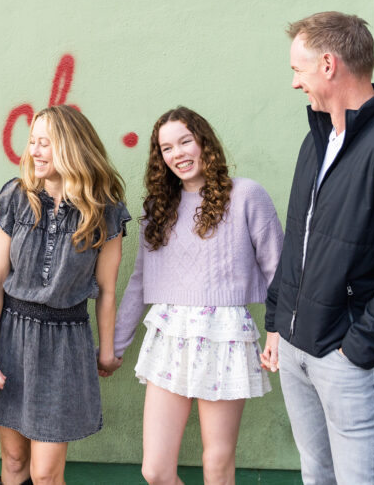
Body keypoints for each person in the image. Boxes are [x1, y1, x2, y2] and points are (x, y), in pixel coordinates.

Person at [262, 11, 374, 484]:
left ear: (328, 64)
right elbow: (297, 241)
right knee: (317, 476)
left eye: (297, 70)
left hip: (348, 359)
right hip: (297, 351)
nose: (294, 83)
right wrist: (279, 323)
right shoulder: (317, 141)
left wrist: (359, 349)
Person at [112, 107, 282, 485]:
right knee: (155, 471)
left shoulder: (247, 196)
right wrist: (116, 346)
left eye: (185, 141)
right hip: (169, 336)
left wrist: (278, 332)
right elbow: (140, 282)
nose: (178, 154)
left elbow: (279, 272)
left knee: (217, 466)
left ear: (204, 142)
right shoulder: (156, 210)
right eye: (167, 148)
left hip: (225, 335)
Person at [0, 105, 131, 485]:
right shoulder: (14, 198)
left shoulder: (104, 212)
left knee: (44, 474)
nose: (35, 151)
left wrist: (106, 350)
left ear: (73, 148)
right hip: (10, 338)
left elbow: (106, 292)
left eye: (46, 143)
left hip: (65, 343)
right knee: (12, 461)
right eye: (32, 142)